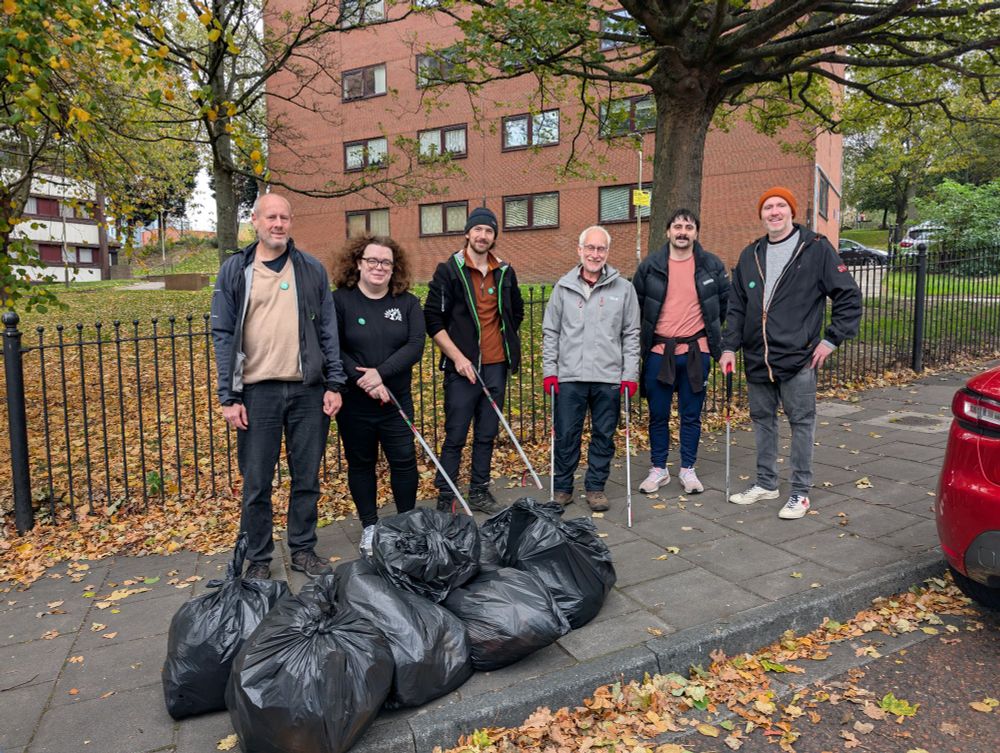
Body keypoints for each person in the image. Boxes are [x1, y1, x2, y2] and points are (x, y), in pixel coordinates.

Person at [211, 193, 346, 579]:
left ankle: (303, 548)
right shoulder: (235, 270)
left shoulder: (310, 269)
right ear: (254, 220)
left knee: (307, 477)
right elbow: (223, 333)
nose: (279, 224)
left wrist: (334, 383)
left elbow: (328, 330)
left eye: (285, 217)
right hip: (257, 392)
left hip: (307, 391)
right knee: (257, 482)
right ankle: (258, 557)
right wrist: (229, 395)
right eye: (271, 217)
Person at [720, 187, 861, 519]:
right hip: (757, 358)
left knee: (801, 423)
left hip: (798, 357)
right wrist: (728, 346)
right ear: (761, 215)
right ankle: (766, 483)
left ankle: (800, 492)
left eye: (780, 205)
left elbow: (848, 298)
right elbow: (736, 306)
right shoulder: (750, 254)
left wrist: (830, 340)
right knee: (762, 422)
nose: (774, 211)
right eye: (767, 207)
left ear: (791, 211)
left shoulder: (815, 249)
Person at [424, 206, 524, 513]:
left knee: (486, 433)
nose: (483, 236)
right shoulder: (449, 271)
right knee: (455, 433)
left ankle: (479, 490)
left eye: (489, 231)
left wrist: (503, 346)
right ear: (468, 233)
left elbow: (516, 312)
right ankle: (447, 493)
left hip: (495, 367)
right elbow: (432, 320)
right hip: (462, 369)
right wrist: (458, 357)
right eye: (478, 229)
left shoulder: (505, 272)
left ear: (494, 237)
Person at [331, 235, 425, 556]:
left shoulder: (407, 303)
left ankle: (406, 524)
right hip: (355, 406)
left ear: (393, 267)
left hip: (395, 402)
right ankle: (370, 527)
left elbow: (415, 346)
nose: (378, 267)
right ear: (358, 263)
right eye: (372, 260)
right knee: (361, 464)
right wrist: (366, 380)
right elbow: (334, 347)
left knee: (404, 462)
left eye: (385, 262)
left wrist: (381, 373)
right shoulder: (340, 301)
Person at [542, 226, 640, 511]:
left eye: (601, 249)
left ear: (607, 253)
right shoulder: (563, 287)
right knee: (566, 434)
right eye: (590, 248)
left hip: (608, 376)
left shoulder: (624, 289)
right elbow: (551, 332)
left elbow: (632, 334)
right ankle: (562, 487)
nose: (595, 254)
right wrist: (551, 371)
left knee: (603, 435)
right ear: (580, 250)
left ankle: (596, 487)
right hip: (570, 376)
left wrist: (629, 375)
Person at [632, 209, 729, 495]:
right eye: (677, 226)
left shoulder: (711, 265)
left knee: (691, 414)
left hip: (697, 351)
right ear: (668, 232)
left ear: (696, 232)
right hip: (659, 352)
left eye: (688, 226)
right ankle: (659, 468)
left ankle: (688, 468)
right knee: (658, 414)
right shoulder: (650, 266)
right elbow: (635, 306)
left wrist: (712, 336)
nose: (683, 231)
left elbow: (724, 304)